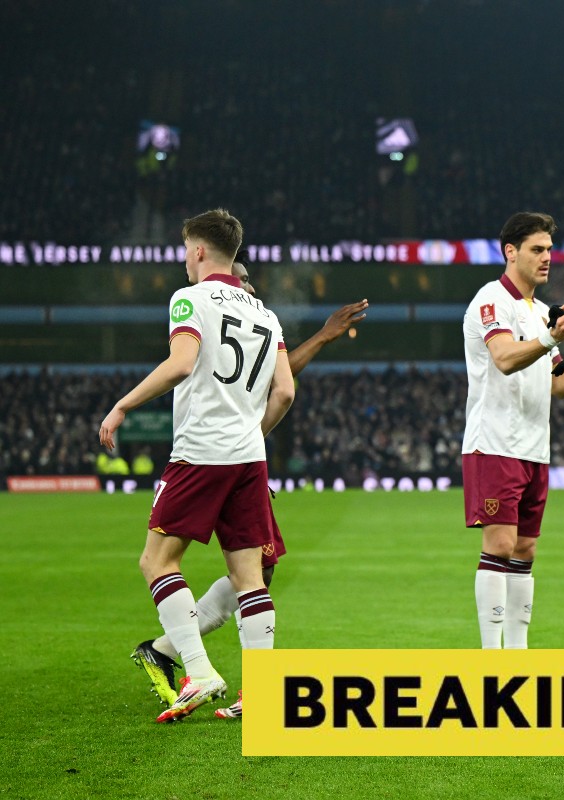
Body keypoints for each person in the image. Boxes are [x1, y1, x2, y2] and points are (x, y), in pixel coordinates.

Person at [130, 250, 369, 719]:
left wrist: (321, 336)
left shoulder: (230, 311)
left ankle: (167, 651)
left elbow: (274, 381)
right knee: (247, 571)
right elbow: (279, 387)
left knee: (261, 568)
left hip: (231, 457)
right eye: (247, 282)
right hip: (228, 455)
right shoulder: (233, 311)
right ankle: (183, 657)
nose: (252, 290)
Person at [100, 209, 294, 723]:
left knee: (157, 561)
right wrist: (253, 432)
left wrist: (122, 404)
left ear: (201, 250)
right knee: (249, 577)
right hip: (249, 457)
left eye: (187, 249)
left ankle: (199, 671)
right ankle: (263, 694)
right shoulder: (265, 314)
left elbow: (182, 363)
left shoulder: (190, 299)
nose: (185, 259)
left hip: (201, 451)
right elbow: (286, 391)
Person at [462, 211, 564, 649]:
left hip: (535, 447)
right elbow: (503, 358)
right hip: (495, 443)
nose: (546, 259)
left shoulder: (540, 313)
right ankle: (491, 657)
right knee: (500, 544)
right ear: (511, 252)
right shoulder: (490, 301)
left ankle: (518, 654)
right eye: (537, 250)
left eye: (549, 250)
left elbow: (556, 382)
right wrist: (554, 337)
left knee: (525, 551)